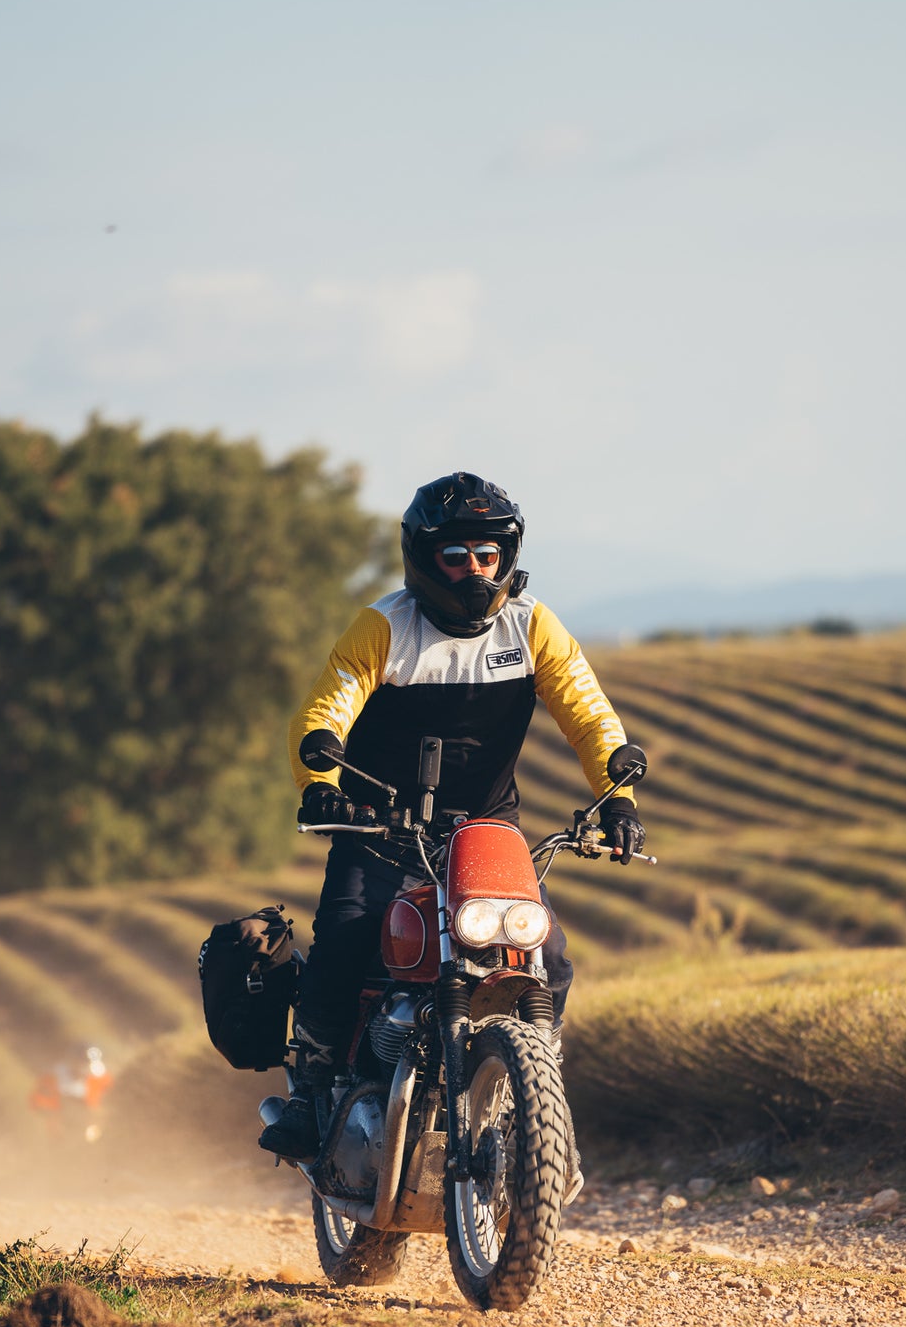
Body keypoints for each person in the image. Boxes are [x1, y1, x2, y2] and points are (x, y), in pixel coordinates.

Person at [258, 471, 645, 1160]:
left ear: (508, 556)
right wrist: (319, 782)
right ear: (423, 558)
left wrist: (618, 797)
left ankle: (536, 1106)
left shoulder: (533, 626)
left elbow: (590, 716)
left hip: (488, 837)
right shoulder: (384, 627)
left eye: (488, 555)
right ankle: (311, 1094)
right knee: (343, 942)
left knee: (549, 959)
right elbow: (323, 714)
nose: (475, 570)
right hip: (379, 833)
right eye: (457, 555)